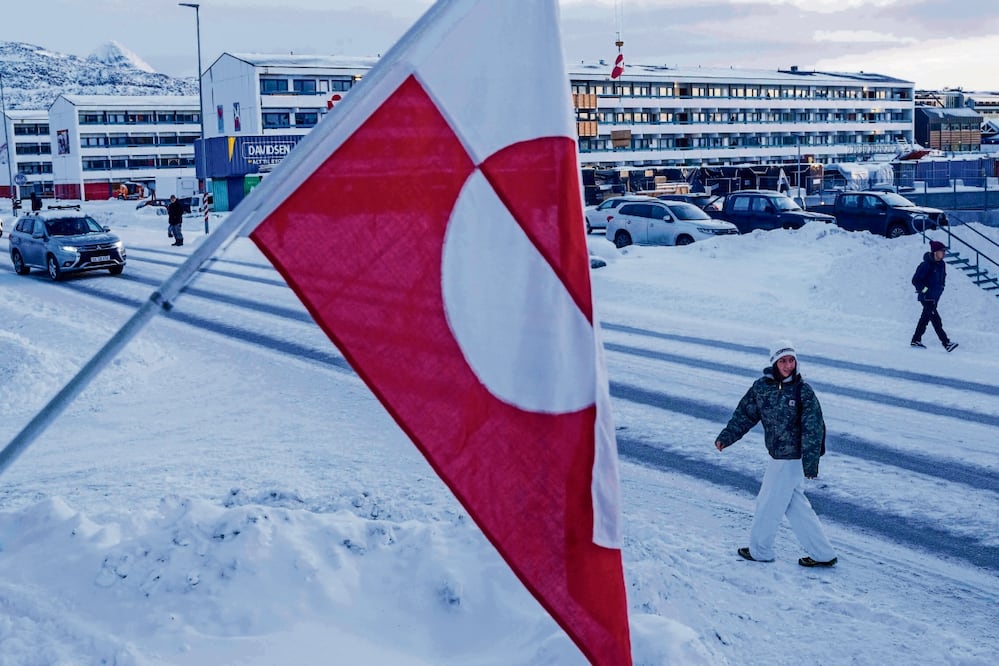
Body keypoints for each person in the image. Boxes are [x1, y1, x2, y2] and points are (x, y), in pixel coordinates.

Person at [714, 341, 838, 567]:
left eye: (791, 360)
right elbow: (744, 415)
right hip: (777, 455)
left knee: (768, 503)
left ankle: (760, 551)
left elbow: (814, 428)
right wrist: (727, 437)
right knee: (795, 506)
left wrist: (811, 463)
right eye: (783, 361)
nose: (788, 365)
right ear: (774, 363)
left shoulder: (803, 391)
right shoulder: (762, 388)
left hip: (791, 459)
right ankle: (823, 554)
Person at [910, 240, 957, 352]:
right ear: (935, 252)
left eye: (944, 251)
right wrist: (926, 291)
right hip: (926, 298)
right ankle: (946, 343)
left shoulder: (941, 265)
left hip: (934, 298)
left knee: (924, 320)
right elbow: (916, 280)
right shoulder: (926, 265)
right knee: (936, 320)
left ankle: (915, 340)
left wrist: (939, 290)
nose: (944, 253)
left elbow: (941, 281)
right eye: (942, 251)